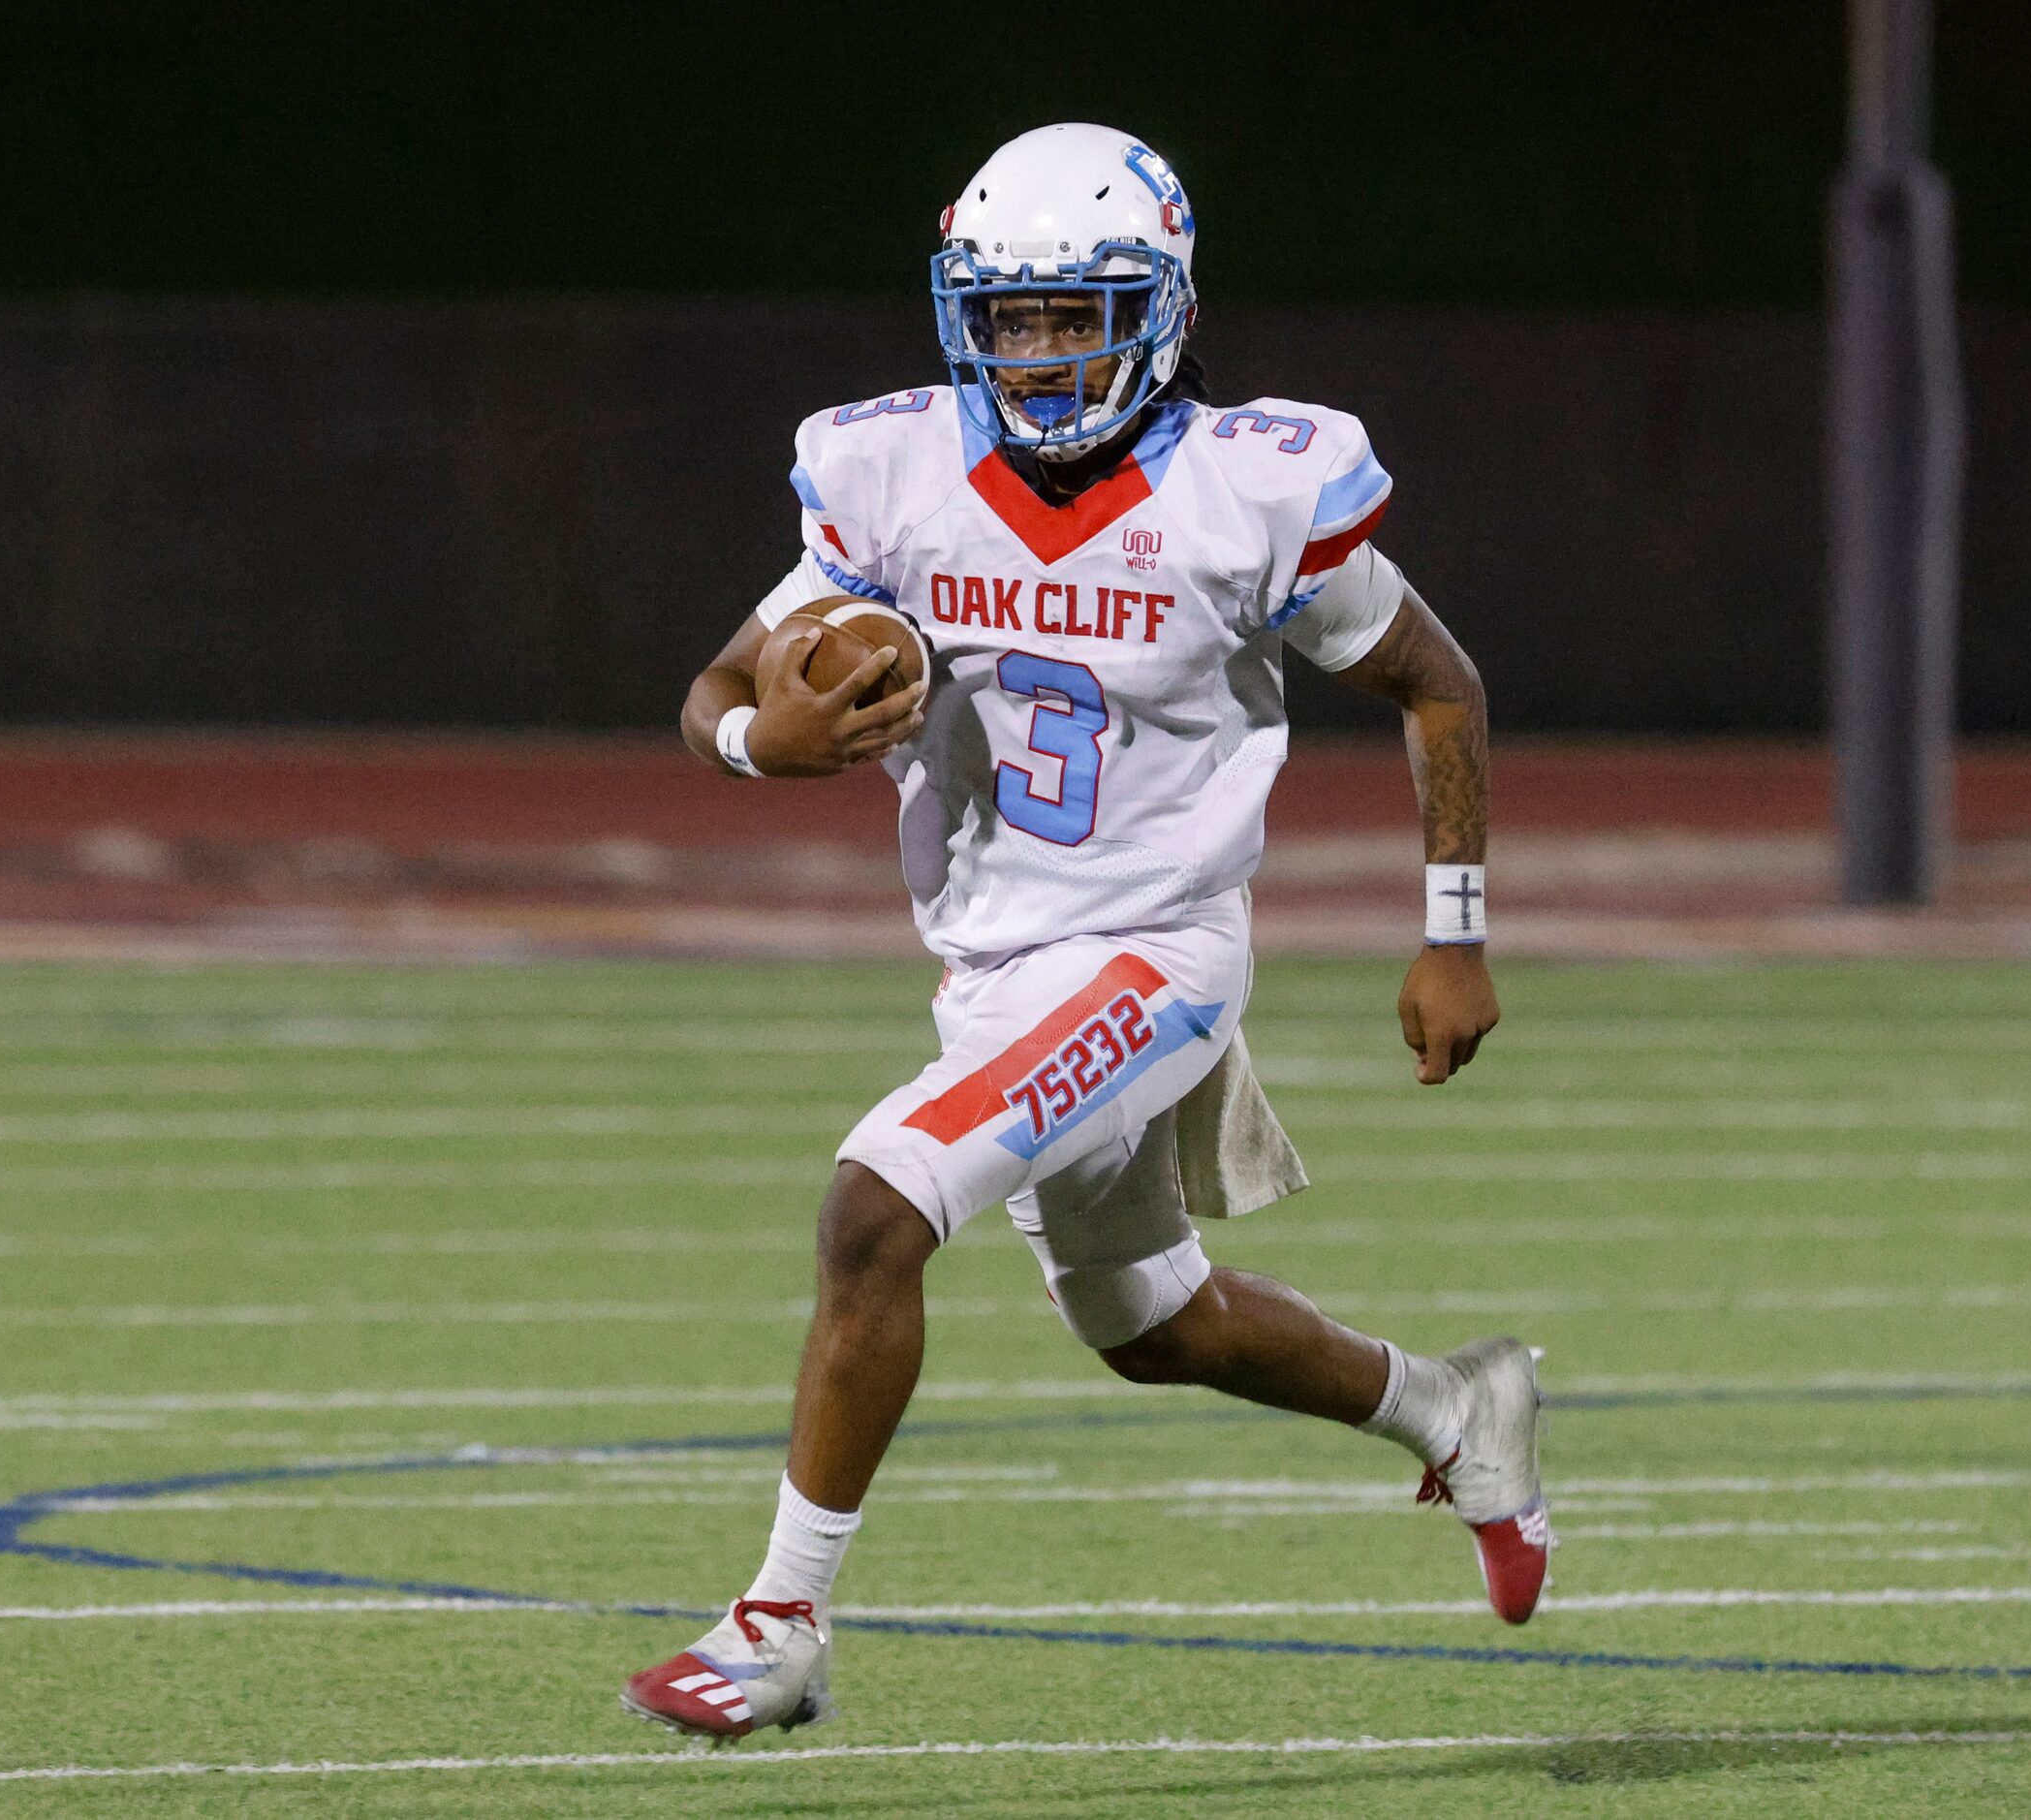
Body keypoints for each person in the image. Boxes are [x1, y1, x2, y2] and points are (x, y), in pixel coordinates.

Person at [625, 122, 1545, 1742]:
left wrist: (1453, 927)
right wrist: (774, 746)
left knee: (874, 1205)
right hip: (994, 968)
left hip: (1157, 954)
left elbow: (1435, 681)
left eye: (1080, 313)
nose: (1043, 356)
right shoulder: (889, 473)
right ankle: (1454, 1405)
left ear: (1168, 305)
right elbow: (710, 693)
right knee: (1153, 1326)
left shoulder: (1248, 484)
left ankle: (778, 1616)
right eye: (1013, 317)